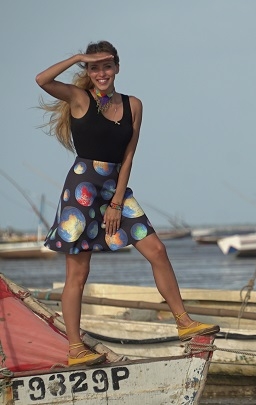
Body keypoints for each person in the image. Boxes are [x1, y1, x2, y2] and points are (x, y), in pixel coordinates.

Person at [36, 40, 219, 367]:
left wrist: (118, 201)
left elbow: (129, 154)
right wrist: (78, 57)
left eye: (107, 66)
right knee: (78, 270)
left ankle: (183, 321)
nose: (102, 73)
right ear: (88, 71)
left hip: (115, 186)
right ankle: (75, 347)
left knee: (157, 250)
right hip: (82, 187)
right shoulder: (80, 98)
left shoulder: (134, 104)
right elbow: (42, 80)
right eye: (94, 67)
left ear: (117, 67)